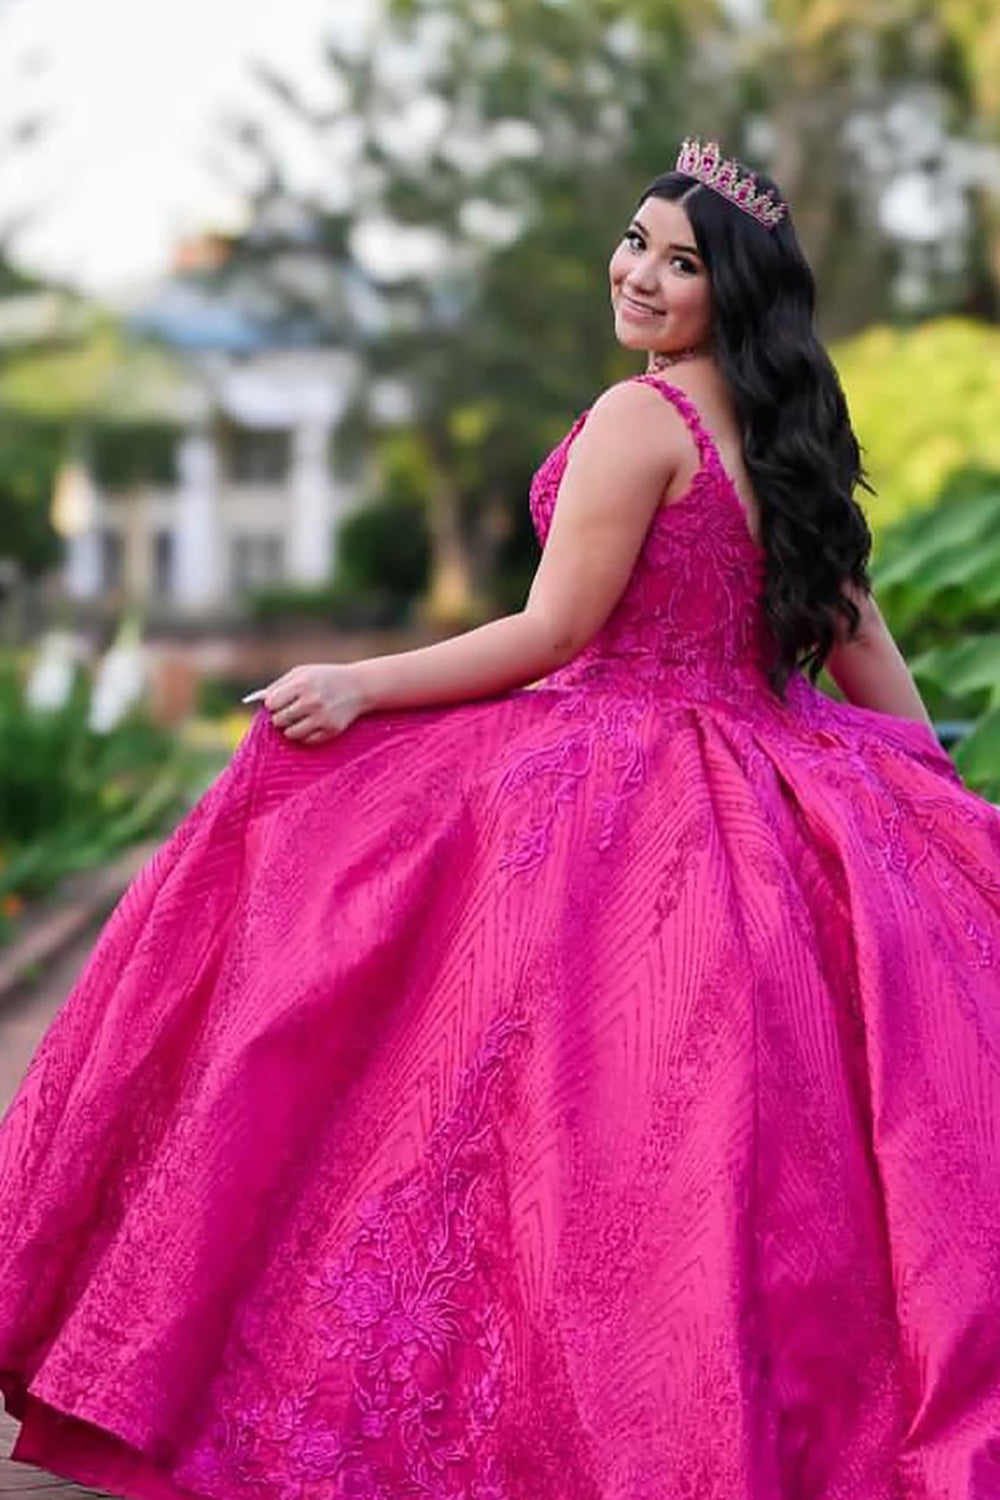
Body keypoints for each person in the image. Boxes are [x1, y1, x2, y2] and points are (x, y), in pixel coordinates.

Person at [1, 135, 999, 1500]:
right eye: (637, 241)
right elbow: (862, 642)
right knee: (735, 1138)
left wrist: (360, 682)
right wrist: (927, 805)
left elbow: (553, 631)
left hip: (623, 781)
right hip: (773, 778)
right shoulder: (785, 436)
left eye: (681, 262)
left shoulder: (641, 420)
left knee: (494, 1097)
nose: (640, 275)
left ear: (736, 291)